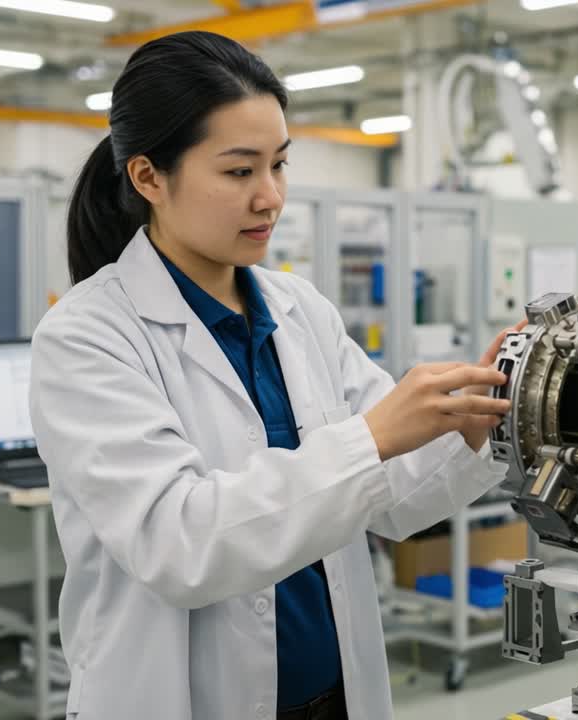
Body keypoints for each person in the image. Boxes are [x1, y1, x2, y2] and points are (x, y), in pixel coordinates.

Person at [29, 31, 521, 720]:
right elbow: (180, 544)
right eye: (239, 172)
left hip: (334, 698)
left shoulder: (299, 311)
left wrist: (484, 422)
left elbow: (396, 501)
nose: (270, 199)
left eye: (280, 166)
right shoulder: (88, 336)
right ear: (149, 178)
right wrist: (373, 437)